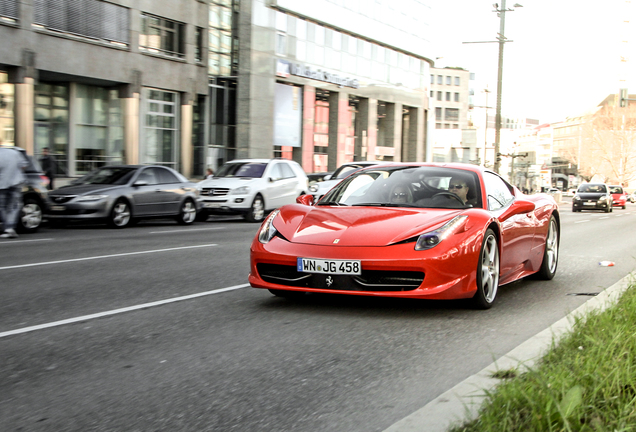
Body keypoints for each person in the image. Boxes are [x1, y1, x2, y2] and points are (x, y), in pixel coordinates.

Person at [0, 146, 28, 239]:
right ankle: (10, 228)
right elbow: (24, 165)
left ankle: (7, 227)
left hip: (2, 184)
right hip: (16, 182)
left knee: (2, 207)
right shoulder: (14, 152)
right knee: (14, 206)